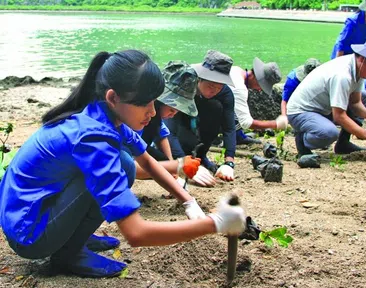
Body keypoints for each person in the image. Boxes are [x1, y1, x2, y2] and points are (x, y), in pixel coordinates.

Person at [0, 50, 246, 278]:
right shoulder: (94, 138)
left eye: (155, 103)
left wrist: (188, 201)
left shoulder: (106, 115)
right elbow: (136, 233)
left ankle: (74, 239)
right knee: (117, 168)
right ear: (113, 97)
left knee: (126, 165)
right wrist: (216, 223)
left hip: (34, 207)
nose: (152, 113)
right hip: (29, 233)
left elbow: (148, 163)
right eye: (145, 104)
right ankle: (67, 254)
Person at [287, 34, 366, 156]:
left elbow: (355, 103)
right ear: (363, 59)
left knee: (364, 96)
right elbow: (339, 116)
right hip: (300, 112)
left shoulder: (358, 69)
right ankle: (302, 140)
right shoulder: (343, 75)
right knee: (330, 133)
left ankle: (343, 144)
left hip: (324, 108)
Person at [134, 60, 216, 187]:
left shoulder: (156, 114)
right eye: (172, 109)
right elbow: (128, 165)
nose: (173, 114)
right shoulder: (138, 114)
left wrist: (172, 166)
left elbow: (162, 136)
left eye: (177, 110)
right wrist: (174, 168)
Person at [164, 50, 237, 182]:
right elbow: (169, 131)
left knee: (216, 107)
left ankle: (201, 156)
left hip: (202, 119)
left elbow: (229, 128)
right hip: (180, 120)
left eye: (219, 87)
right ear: (199, 79)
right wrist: (183, 165)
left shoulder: (225, 94)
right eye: (210, 86)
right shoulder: (183, 85)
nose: (214, 91)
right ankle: (183, 157)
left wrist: (229, 162)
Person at [228, 57, 285, 145]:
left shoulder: (237, 70)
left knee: (239, 108)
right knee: (239, 112)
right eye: (261, 86)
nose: (259, 90)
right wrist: (275, 124)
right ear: (255, 78)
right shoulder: (239, 88)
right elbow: (247, 123)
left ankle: (238, 135)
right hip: (210, 110)